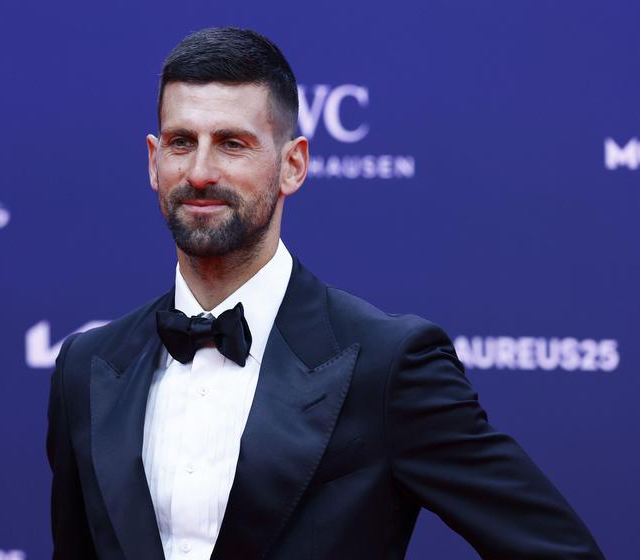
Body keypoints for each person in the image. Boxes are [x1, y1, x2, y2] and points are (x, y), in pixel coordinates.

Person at [46, 27, 604, 560]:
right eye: (181, 142)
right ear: (153, 161)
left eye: (232, 144)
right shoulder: (87, 367)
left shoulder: (387, 365)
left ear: (293, 165)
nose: (199, 171)